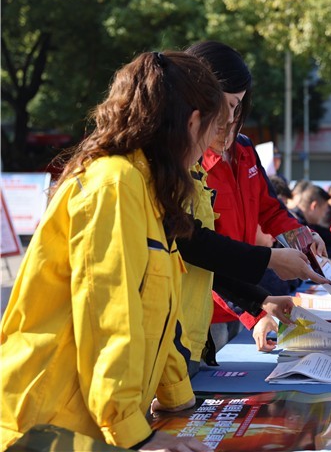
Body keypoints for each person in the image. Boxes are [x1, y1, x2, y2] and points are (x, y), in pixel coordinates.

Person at [0, 51, 224, 451]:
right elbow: (109, 316)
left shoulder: (146, 191)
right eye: (210, 129)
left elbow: (158, 318)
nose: (207, 147)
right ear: (192, 123)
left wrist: (179, 399)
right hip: (47, 428)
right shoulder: (115, 184)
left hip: (87, 425)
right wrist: (135, 438)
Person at [186, 41, 326, 351]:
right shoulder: (186, 166)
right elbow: (201, 253)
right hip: (203, 313)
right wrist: (255, 309)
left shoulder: (245, 150)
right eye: (223, 107)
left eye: (237, 107)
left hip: (245, 298)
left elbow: (269, 208)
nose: (228, 120)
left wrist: (301, 236)